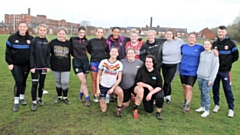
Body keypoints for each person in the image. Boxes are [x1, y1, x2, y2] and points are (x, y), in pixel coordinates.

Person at [5, 22, 33, 112]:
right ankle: (16, 101)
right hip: (16, 64)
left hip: (26, 65)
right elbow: (7, 52)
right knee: (19, 81)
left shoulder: (30, 38)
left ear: (26, 28)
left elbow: (36, 49)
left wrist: (31, 43)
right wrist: (10, 63)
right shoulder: (12, 38)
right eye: (21, 26)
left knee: (23, 81)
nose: (22, 28)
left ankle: (22, 98)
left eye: (24, 26)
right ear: (18, 27)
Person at [212, 25, 239, 117]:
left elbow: (236, 56)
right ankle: (216, 104)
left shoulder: (231, 43)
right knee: (215, 88)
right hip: (215, 71)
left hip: (225, 71)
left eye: (222, 32)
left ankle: (231, 108)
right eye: (219, 32)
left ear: (226, 32)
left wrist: (228, 63)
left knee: (227, 89)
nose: (220, 33)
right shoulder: (214, 44)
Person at [133, 55, 164, 120]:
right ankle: (152, 102)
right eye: (146, 61)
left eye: (150, 62)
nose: (148, 63)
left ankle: (158, 112)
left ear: (153, 63)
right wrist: (147, 86)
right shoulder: (141, 70)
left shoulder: (156, 72)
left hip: (155, 91)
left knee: (160, 96)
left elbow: (159, 86)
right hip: (145, 92)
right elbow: (138, 82)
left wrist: (151, 93)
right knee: (149, 110)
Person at [180, 33, 204, 113]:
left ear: (195, 39)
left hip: (192, 71)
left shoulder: (200, 47)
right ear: (188, 38)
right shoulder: (183, 46)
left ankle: (187, 105)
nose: (191, 39)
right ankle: (185, 101)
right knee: (184, 86)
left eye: (193, 37)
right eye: (190, 37)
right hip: (183, 69)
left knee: (188, 87)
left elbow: (208, 50)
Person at [96, 47, 124, 117]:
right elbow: (98, 75)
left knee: (120, 92)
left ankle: (119, 109)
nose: (114, 53)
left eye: (115, 52)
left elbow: (119, 78)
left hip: (113, 86)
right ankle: (106, 97)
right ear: (109, 53)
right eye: (112, 51)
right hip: (103, 85)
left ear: (118, 54)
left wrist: (112, 88)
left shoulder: (119, 64)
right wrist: (98, 89)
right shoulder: (103, 62)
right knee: (103, 110)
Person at [30, 24, 50, 111]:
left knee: (41, 84)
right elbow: (31, 54)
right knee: (35, 84)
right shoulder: (34, 41)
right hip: (35, 67)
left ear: (46, 31)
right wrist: (32, 66)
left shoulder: (47, 42)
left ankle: (39, 98)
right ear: (38, 31)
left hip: (43, 67)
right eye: (41, 30)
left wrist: (48, 66)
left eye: (44, 30)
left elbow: (48, 55)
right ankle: (34, 102)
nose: (42, 32)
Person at [196, 40, 219, 117]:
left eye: (208, 44)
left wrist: (211, 79)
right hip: (200, 76)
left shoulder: (214, 55)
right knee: (202, 92)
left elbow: (215, 68)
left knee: (206, 93)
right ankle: (202, 106)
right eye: (205, 44)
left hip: (208, 78)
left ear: (211, 45)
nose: (206, 46)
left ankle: (207, 110)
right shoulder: (202, 53)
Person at [49, 27, 72, 104]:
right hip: (55, 65)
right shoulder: (52, 42)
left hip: (65, 66)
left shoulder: (69, 43)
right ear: (57, 34)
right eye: (60, 34)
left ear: (65, 35)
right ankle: (59, 96)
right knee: (58, 81)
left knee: (65, 82)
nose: (61, 35)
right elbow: (48, 53)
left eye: (63, 34)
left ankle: (65, 97)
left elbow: (73, 53)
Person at [162, 29, 184, 104]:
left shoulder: (179, 42)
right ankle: (168, 98)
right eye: (167, 34)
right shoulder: (163, 42)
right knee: (167, 81)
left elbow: (187, 46)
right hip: (164, 64)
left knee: (167, 81)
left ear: (173, 35)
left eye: (170, 34)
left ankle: (162, 96)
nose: (168, 35)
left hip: (174, 64)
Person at [87, 27, 109, 103]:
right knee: (94, 80)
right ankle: (95, 95)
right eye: (98, 32)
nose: (99, 33)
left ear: (103, 33)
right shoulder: (91, 41)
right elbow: (89, 50)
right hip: (94, 62)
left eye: (101, 32)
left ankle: (102, 94)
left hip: (103, 63)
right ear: (95, 32)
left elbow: (107, 52)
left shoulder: (105, 41)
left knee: (102, 79)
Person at [70, 26, 91, 106]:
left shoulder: (86, 41)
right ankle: (88, 99)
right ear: (78, 32)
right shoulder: (72, 39)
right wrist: (73, 56)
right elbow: (70, 49)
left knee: (84, 81)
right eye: (80, 32)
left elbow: (89, 50)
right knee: (84, 81)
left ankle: (80, 95)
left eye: (83, 33)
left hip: (85, 62)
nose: (82, 34)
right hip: (76, 62)